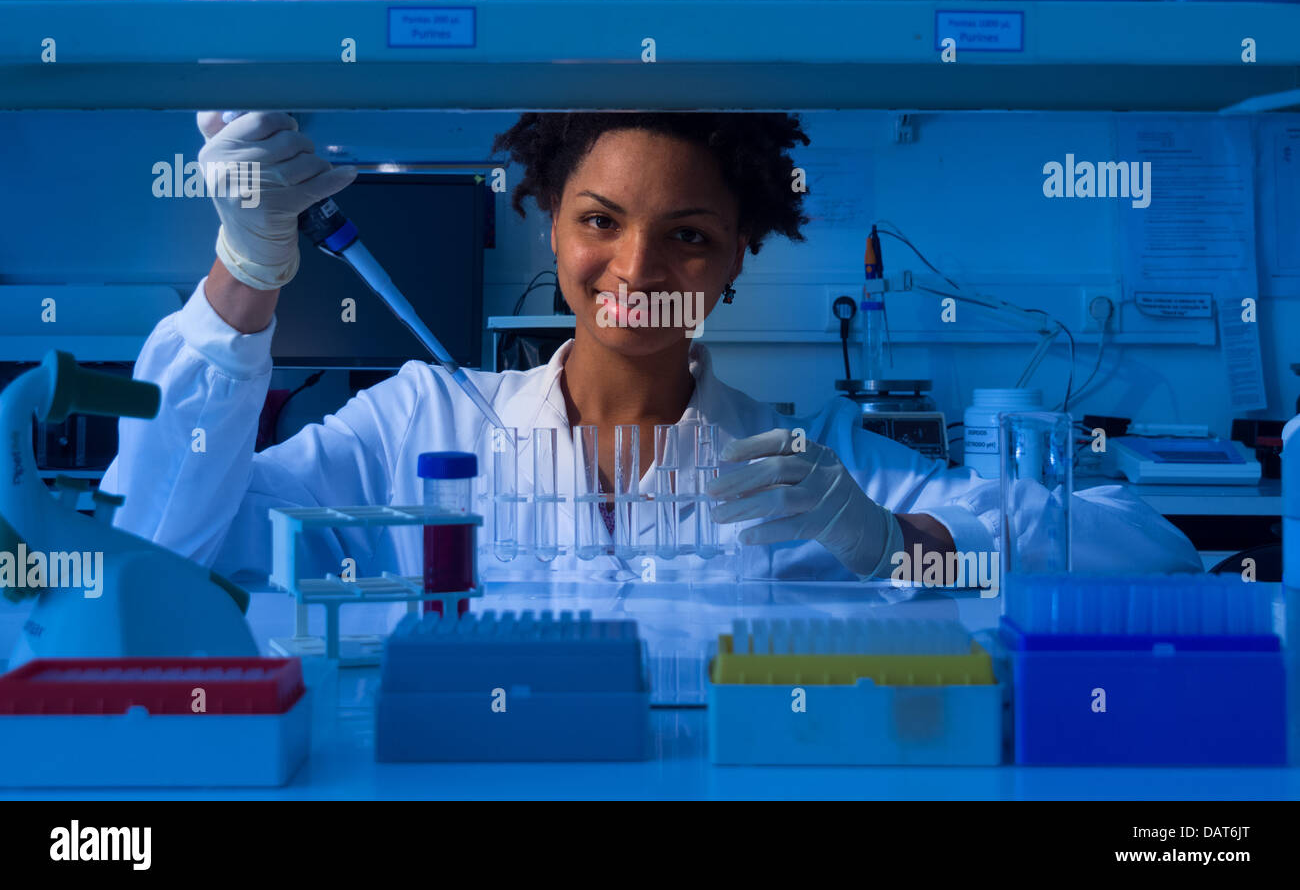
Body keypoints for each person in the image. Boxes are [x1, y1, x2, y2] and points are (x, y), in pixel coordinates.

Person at [101, 110, 1202, 583]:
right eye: (599, 221)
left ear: (735, 260)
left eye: (686, 236)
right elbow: (160, 544)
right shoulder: (419, 419)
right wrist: (245, 270)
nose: (634, 272)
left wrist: (890, 537)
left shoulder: (806, 463)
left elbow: (1150, 554)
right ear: (548, 223)